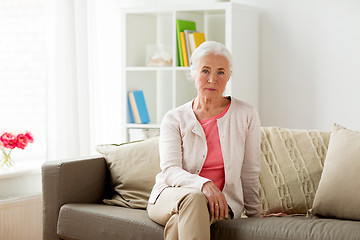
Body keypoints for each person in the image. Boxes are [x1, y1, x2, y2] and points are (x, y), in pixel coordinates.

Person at [147, 41, 262, 240]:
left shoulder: (246, 114)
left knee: (179, 223)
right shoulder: (174, 118)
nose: (212, 80)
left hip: (219, 206)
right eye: (205, 71)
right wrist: (204, 185)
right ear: (193, 73)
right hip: (168, 197)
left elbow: (249, 171)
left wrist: (256, 216)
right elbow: (170, 171)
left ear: (228, 77)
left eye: (220, 72)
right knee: (195, 197)